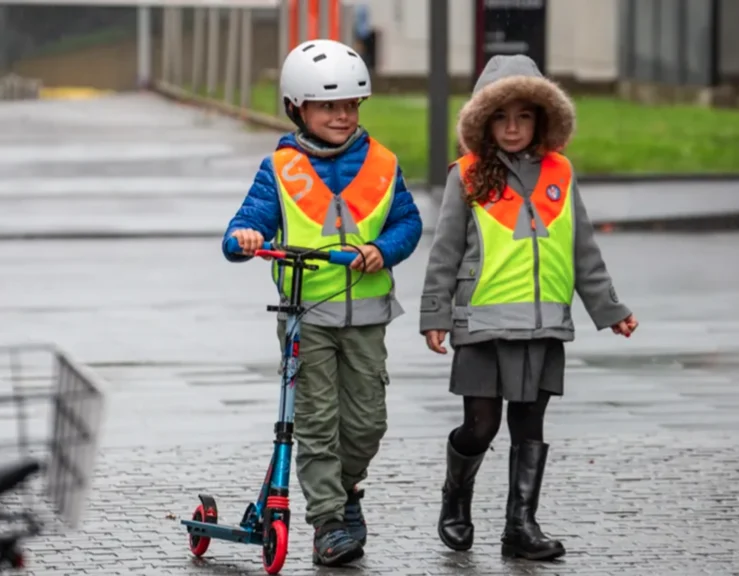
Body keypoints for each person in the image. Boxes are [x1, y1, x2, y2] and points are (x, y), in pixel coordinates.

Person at [419, 54, 638, 561]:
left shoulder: (561, 172)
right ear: (482, 121)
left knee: (529, 425)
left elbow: (583, 249)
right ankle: (456, 496)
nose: (512, 127)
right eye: (500, 116)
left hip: (542, 325)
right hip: (482, 324)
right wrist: (436, 313)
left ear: (541, 118)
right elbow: (445, 251)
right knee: (480, 425)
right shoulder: (467, 175)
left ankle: (521, 526)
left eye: (523, 116)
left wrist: (610, 309)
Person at [222, 39, 422, 567]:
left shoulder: (382, 163)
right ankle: (328, 522)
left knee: (366, 423)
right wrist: (243, 238)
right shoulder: (279, 169)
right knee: (313, 422)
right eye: (329, 105)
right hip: (306, 320)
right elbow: (244, 227)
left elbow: (408, 222)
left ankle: (346, 489)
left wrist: (383, 249)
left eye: (351, 105)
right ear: (297, 108)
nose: (342, 115)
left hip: (368, 318)